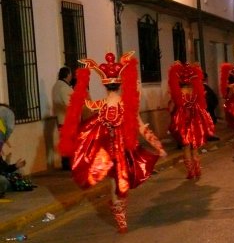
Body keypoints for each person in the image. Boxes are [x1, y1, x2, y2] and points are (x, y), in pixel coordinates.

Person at [59, 52, 166, 233]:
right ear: (119, 84)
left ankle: (120, 219)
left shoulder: (98, 105)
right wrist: (158, 146)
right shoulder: (127, 105)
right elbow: (142, 128)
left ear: (105, 85)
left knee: (114, 183)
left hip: (106, 151)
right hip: (124, 150)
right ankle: (121, 217)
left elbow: (80, 103)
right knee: (121, 182)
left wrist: (84, 77)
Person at [168, 61, 215, 179]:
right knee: (195, 147)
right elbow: (202, 106)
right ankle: (197, 169)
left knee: (186, 147)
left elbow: (171, 109)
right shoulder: (195, 92)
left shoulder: (178, 94)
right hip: (195, 122)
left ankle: (190, 171)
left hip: (182, 122)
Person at [52, 66, 73, 170]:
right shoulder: (64, 88)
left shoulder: (56, 86)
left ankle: (65, 163)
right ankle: (68, 163)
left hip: (60, 118)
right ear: (68, 75)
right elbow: (69, 104)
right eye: (70, 74)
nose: (71, 76)